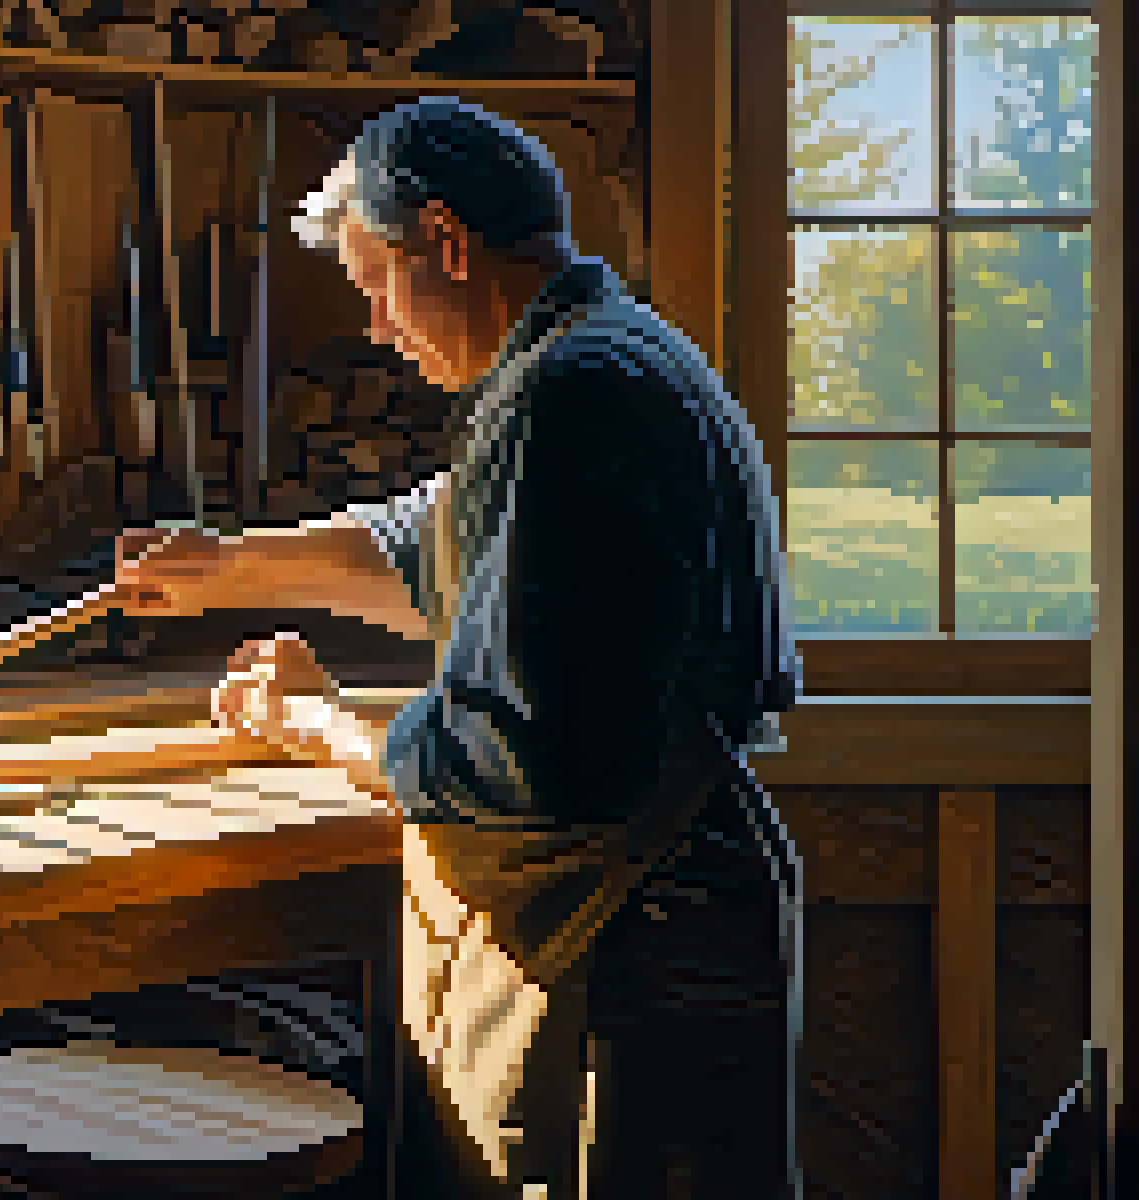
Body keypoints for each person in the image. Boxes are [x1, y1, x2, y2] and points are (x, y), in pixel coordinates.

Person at [114, 97, 805, 1199]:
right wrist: (223, 567)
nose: (378, 326)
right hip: (651, 910)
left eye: (377, 283)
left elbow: (516, 757)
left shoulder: (574, 393)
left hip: (625, 943)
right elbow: (431, 539)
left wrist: (318, 725)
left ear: (444, 239)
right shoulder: (599, 359)